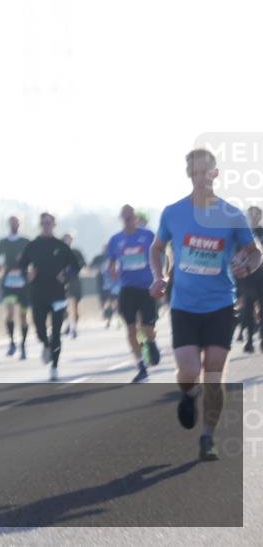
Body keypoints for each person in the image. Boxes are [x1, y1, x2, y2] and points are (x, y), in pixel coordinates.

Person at [149, 149, 262, 461]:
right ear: (189, 175)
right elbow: (156, 248)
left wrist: (247, 265)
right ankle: (188, 394)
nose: (201, 178)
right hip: (184, 304)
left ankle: (207, 437)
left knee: (214, 372)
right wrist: (158, 277)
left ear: (216, 174)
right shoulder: (173, 213)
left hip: (220, 305)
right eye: (195, 173)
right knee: (188, 371)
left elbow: (255, 251)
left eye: (205, 172)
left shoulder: (231, 214)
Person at [18, 213, 81, 381]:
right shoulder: (33, 246)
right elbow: (22, 266)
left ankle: (54, 367)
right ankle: (45, 345)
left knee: (56, 331)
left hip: (58, 295)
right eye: (43, 223)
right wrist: (27, 274)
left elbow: (75, 267)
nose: (46, 225)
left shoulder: (61, 246)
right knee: (39, 329)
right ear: (40, 225)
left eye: (49, 223)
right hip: (38, 294)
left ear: (54, 225)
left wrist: (65, 275)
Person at [107, 204, 160, 383]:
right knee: (130, 329)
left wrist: (161, 275)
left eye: (130, 216)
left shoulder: (147, 235)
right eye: (125, 217)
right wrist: (112, 270)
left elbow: (160, 253)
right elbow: (111, 263)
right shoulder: (115, 239)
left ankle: (151, 343)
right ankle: (141, 366)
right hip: (127, 288)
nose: (128, 219)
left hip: (147, 287)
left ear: (136, 217)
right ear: (121, 218)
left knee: (147, 328)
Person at [0, 215, 31, 359]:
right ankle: (11, 342)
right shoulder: (2, 242)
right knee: (10, 312)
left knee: (23, 316)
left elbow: (32, 259)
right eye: (11, 223)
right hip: (9, 282)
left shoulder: (25, 241)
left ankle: (23, 345)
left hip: (23, 284)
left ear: (20, 224)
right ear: (8, 224)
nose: (14, 225)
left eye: (16, 223)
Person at [235, 205, 263, 352]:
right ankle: (249, 340)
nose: (254, 217)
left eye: (256, 214)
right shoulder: (242, 235)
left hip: (262, 276)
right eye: (251, 214)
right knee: (248, 308)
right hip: (246, 277)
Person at [61, 233, 86, 338]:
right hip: (62, 281)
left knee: (75, 305)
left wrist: (73, 268)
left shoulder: (76, 252)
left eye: (69, 239)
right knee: (63, 306)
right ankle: (68, 324)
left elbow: (83, 264)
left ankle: (74, 327)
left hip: (74, 280)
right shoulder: (59, 252)